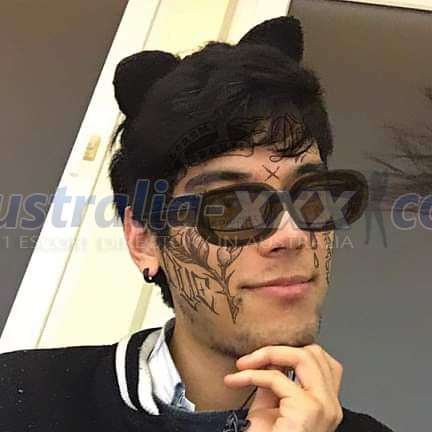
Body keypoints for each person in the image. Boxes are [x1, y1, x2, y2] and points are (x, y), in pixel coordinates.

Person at [0, 16, 394, 432]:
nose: (292, 234)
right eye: (232, 208)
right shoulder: (20, 401)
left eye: (311, 197)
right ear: (145, 240)